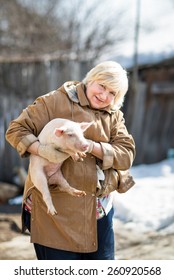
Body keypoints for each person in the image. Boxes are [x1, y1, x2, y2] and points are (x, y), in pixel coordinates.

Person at [5, 61, 136, 260]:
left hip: (98, 213)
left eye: (112, 93)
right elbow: (16, 130)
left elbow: (126, 155)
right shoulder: (54, 101)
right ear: (91, 79)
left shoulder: (114, 116)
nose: (104, 96)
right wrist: (43, 150)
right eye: (102, 86)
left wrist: (91, 146)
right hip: (55, 216)